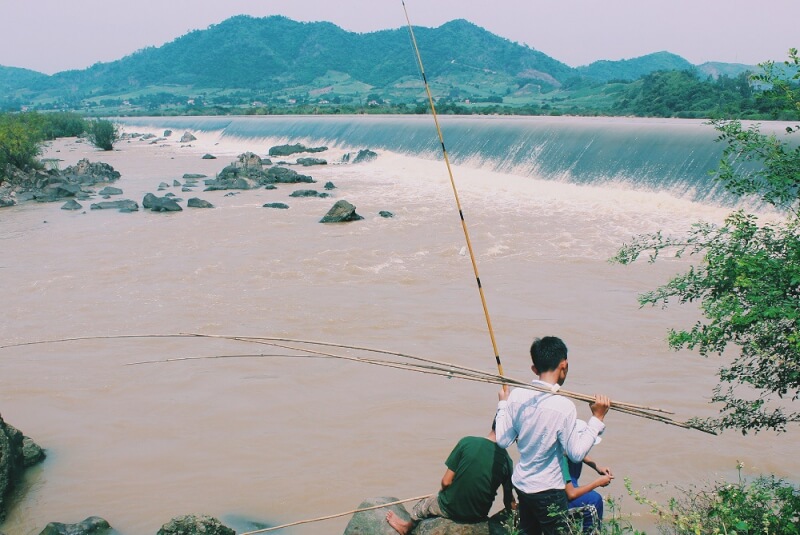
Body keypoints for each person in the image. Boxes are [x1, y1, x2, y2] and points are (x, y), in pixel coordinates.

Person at [495, 336, 610, 535]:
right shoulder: (564, 406)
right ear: (564, 365)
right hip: (548, 490)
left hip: (522, 485)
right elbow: (576, 454)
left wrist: (503, 404)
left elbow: (503, 440)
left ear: (534, 369)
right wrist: (597, 418)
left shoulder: (516, 396)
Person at [386, 419, 515, 535]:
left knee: (424, 505)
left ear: (494, 423)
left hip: (451, 509)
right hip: (478, 515)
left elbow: (446, 482)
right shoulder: (506, 460)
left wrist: (442, 493)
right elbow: (508, 501)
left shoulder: (467, 442)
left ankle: (406, 528)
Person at [562, 453, 613, 533]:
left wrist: (598, 468)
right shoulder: (560, 456)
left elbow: (578, 452)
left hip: (570, 487)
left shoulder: (571, 449)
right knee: (593, 501)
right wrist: (598, 483)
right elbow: (571, 494)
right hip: (558, 497)